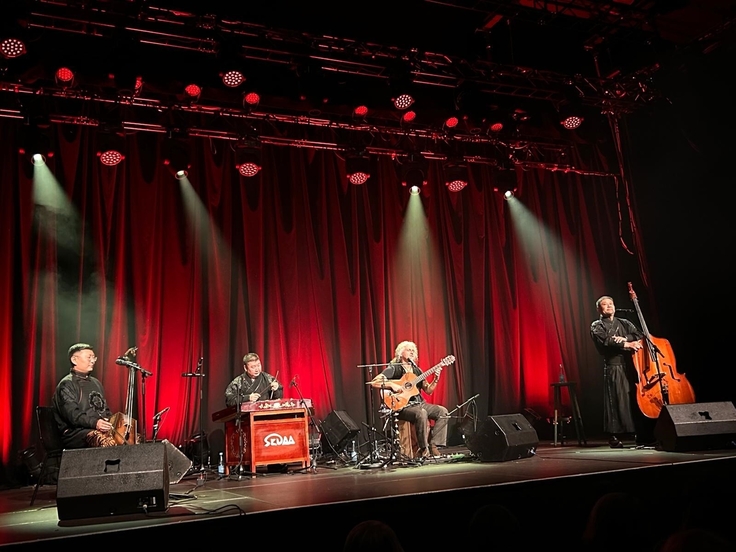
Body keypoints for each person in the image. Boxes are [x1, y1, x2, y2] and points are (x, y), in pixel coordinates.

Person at [590, 295, 651, 448]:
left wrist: (624, 338)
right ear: (599, 309)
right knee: (616, 400)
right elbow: (607, 341)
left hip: (632, 365)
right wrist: (627, 344)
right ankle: (614, 436)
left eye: (611, 303)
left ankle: (641, 433)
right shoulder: (597, 325)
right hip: (614, 366)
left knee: (634, 398)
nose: (609, 306)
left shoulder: (624, 322)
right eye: (605, 304)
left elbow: (639, 334)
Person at [370, 340, 448, 458]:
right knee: (422, 413)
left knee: (443, 411)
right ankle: (423, 449)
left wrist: (436, 379)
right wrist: (392, 385)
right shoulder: (394, 368)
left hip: (419, 403)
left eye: (413, 350)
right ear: (401, 353)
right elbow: (374, 382)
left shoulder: (417, 371)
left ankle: (434, 445)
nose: (412, 352)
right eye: (409, 350)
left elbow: (428, 390)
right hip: (403, 407)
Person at [52, 342, 117, 448]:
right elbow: (73, 415)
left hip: (96, 428)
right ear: (74, 360)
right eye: (89, 357)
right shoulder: (67, 384)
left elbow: (104, 410)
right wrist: (95, 423)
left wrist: (113, 420)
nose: (92, 361)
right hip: (75, 433)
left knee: (133, 438)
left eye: (94, 357)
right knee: (104, 440)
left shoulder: (96, 383)